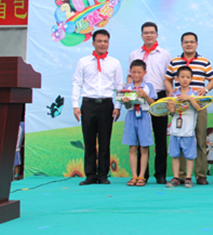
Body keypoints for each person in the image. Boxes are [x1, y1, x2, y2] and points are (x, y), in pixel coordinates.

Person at [71, 29, 123, 185]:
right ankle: (90, 175)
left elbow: (119, 86)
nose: (102, 44)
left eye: (105, 41)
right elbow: (77, 83)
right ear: (93, 43)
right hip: (88, 104)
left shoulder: (114, 63)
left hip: (106, 105)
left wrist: (118, 106)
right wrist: (75, 105)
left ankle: (103, 175)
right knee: (89, 141)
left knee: (105, 142)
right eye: (99, 41)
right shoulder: (83, 62)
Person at [164, 32, 213, 185]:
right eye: (186, 42)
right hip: (180, 107)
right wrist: (171, 91)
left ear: (196, 44)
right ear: (181, 44)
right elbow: (167, 79)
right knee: (180, 138)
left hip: (198, 106)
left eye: (192, 42)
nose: (189, 44)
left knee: (200, 139)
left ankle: (200, 174)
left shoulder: (204, 62)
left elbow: (212, 80)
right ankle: (180, 176)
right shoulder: (174, 62)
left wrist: (205, 90)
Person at [127, 22, 171, 184]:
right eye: (146, 33)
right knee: (141, 137)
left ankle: (160, 174)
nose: (149, 35)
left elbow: (168, 78)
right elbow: (130, 76)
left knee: (160, 137)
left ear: (157, 35)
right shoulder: (134, 54)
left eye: (152, 32)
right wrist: (129, 93)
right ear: (141, 35)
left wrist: (169, 96)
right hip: (139, 98)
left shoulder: (164, 54)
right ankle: (141, 174)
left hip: (158, 96)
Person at [121, 59, 156, 187]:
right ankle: (134, 175)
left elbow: (154, 104)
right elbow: (126, 106)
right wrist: (125, 101)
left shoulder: (148, 86)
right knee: (132, 147)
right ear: (130, 72)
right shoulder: (127, 88)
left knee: (144, 147)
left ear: (144, 72)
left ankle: (142, 176)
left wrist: (145, 96)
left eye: (139, 72)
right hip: (131, 116)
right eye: (134, 72)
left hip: (144, 116)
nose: (136, 75)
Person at [166, 66, 202, 188]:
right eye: (182, 77)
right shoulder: (173, 94)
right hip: (175, 131)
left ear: (191, 78)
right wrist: (171, 109)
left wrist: (190, 99)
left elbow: (199, 108)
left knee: (190, 156)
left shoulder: (195, 94)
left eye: (187, 77)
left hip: (188, 131)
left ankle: (188, 178)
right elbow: (171, 113)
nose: (185, 79)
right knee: (175, 155)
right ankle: (176, 177)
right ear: (177, 78)